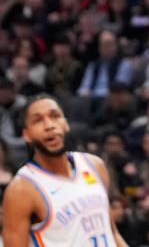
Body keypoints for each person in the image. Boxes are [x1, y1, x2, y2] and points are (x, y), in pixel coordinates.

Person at [2, 94, 130, 246]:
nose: (49, 125)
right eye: (38, 120)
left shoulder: (94, 165)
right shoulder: (22, 189)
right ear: (26, 135)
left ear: (66, 123)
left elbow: (112, 232)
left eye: (55, 116)